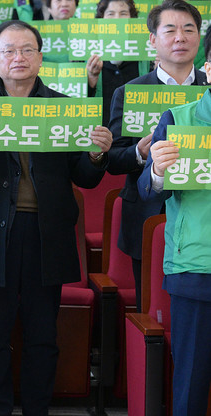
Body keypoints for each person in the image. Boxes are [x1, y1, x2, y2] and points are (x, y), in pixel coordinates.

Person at [0, 20, 111, 416]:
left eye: (27, 50)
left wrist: (95, 155)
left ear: (40, 57)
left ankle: (37, 409)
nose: (18, 58)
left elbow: (84, 177)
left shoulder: (65, 107)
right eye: (9, 51)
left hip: (46, 232)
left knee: (42, 336)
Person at [108, 0, 207, 311]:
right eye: (170, 30)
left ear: (199, 38)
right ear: (153, 39)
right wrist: (140, 152)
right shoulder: (129, 92)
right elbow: (112, 160)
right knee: (153, 312)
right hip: (147, 214)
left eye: (188, 29)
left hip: (201, 221)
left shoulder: (208, 89)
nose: (180, 37)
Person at [137, 26, 211, 416]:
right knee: (191, 383)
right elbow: (147, 191)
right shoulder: (179, 119)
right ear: (208, 68)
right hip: (196, 268)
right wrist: (158, 171)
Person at [86, 0, 142, 125]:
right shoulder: (87, 52)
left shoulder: (145, 54)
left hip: (134, 128)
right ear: (101, 18)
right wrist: (90, 80)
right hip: (100, 128)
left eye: (123, 13)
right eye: (111, 14)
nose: (117, 19)